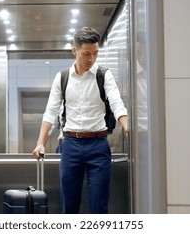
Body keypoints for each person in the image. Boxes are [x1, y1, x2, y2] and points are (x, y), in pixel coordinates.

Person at [32, 27, 128, 214]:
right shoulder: (62, 78)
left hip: (98, 145)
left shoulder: (103, 74)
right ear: (74, 50)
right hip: (71, 145)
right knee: (70, 205)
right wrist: (40, 143)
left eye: (95, 53)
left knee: (99, 206)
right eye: (86, 54)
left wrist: (126, 124)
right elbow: (51, 111)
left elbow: (116, 102)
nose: (91, 59)